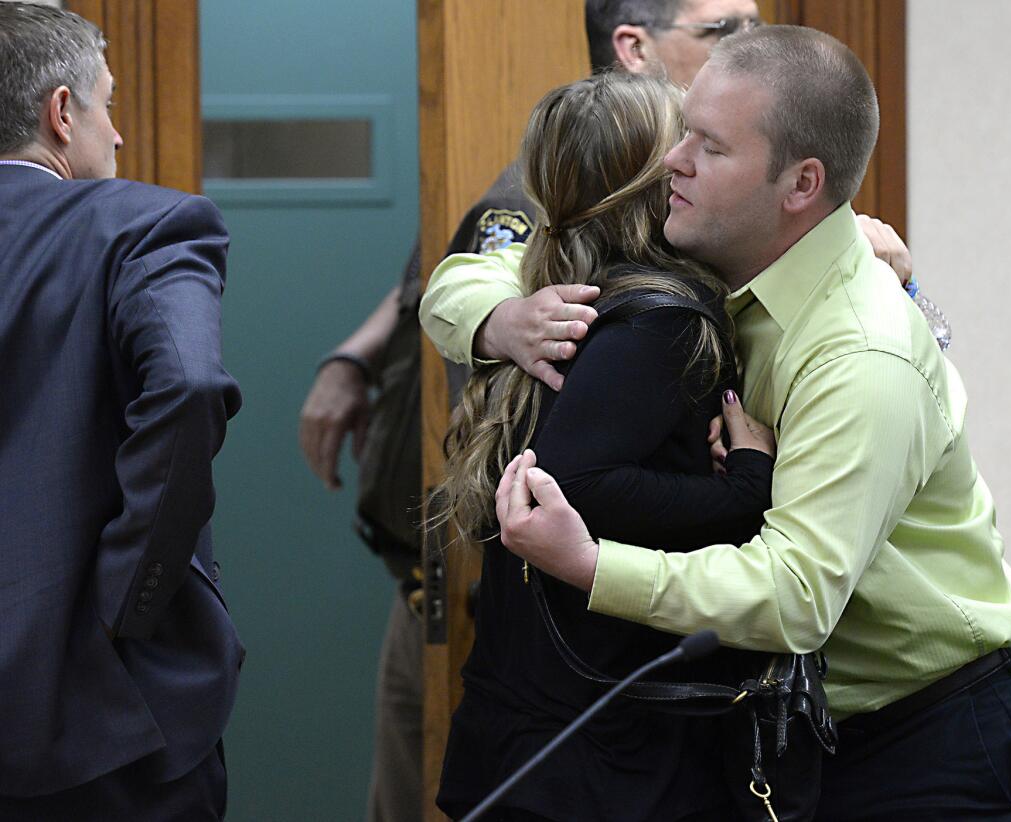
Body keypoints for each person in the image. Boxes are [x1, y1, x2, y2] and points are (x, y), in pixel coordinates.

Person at [426, 25, 1011, 820]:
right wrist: (503, 319)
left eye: (709, 147)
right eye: (683, 130)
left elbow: (794, 595)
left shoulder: (863, 353)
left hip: (923, 730)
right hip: (785, 719)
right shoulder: (718, 244)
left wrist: (593, 565)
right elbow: (465, 276)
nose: (673, 161)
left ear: (799, 185)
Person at [296, 3, 770, 819]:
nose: (750, 46)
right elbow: (464, 275)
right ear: (636, 51)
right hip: (567, 685)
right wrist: (742, 492)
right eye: (723, 28)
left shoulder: (650, 239)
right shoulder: (633, 289)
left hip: (559, 683)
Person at [430, 70, 784, 822]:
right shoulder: (661, 318)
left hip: (534, 735)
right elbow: (573, 482)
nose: (691, 159)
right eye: (682, 143)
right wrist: (745, 488)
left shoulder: (551, 291)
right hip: (601, 756)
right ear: (652, 179)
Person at [0, 4, 243, 821]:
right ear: (62, 114)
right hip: (107, 720)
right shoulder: (144, 225)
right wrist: (129, 602)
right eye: (109, 104)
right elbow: (189, 387)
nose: (120, 137)